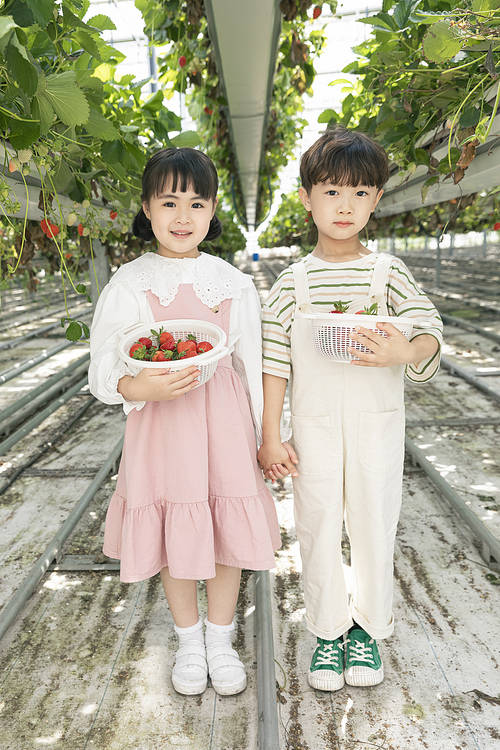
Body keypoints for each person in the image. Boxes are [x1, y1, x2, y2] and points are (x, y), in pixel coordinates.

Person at [89, 147, 280, 697]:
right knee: (177, 527)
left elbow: (252, 363)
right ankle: (189, 640)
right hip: (162, 422)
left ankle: (221, 640)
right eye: (169, 202)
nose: (182, 216)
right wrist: (136, 385)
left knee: (223, 528)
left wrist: (269, 436)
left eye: (196, 204)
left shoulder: (233, 283)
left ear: (213, 209)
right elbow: (103, 361)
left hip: (222, 422)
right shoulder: (130, 282)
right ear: (146, 208)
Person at [258, 127, 443, 691]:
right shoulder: (292, 283)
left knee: (373, 523)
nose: (345, 205)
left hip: (375, 427)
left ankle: (367, 628)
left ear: (377, 200)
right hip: (312, 428)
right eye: (332, 191)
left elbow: (431, 330)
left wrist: (403, 349)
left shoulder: (387, 274)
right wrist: (271, 435)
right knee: (315, 525)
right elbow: (273, 362)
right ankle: (328, 631)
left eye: (360, 193)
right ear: (306, 197)